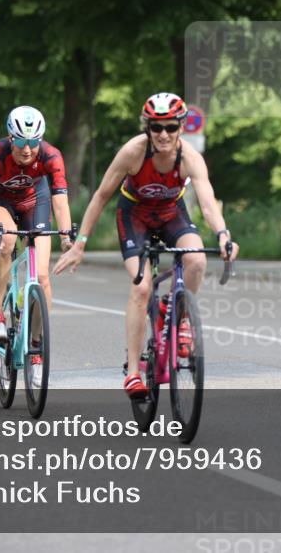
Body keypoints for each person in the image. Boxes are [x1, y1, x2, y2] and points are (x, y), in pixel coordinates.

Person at [53, 92, 239, 399]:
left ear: (181, 127)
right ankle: (134, 372)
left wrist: (223, 234)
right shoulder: (133, 152)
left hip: (171, 213)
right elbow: (101, 196)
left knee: (196, 261)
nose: (163, 134)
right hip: (134, 215)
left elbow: (207, 204)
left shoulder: (190, 157)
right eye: (156, 127)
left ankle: (179, 318)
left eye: (170, 127)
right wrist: (79, 244)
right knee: (141, 286)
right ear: (147, 128)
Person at [0, 106, 73, 387]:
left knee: (42, 277)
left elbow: (59, 200)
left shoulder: (51, 155)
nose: (27, 149)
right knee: (5, 240)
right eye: (21, 142)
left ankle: (36, 351)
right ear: (10, 138)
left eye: (33, 142)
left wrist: (67, 236)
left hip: (36, 203)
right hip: (3, 203)